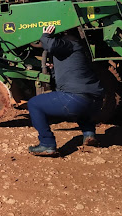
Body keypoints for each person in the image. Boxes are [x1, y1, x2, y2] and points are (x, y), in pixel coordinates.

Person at [27, 24, 104, 157]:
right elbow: (67, 75)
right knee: (82, 108)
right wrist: (52, 69)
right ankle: (89, 134)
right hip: (96, 102)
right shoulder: (80, 47)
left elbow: (50, 45)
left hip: (76, 100)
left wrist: (45, 35)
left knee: (34, 104)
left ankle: (47, 144)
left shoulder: (69, 42)